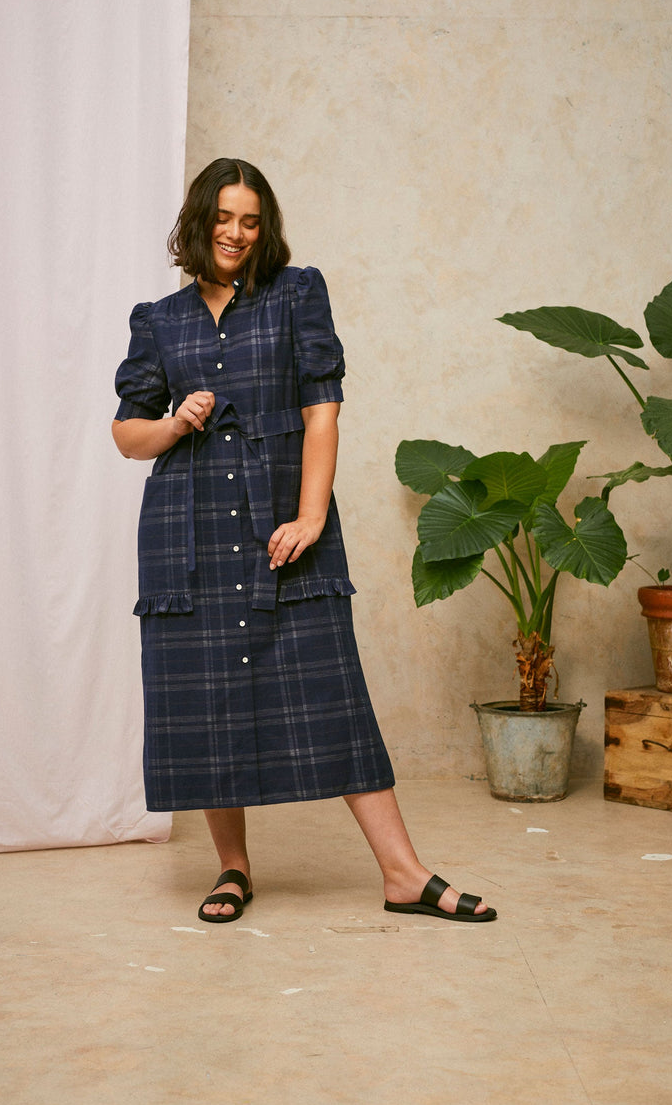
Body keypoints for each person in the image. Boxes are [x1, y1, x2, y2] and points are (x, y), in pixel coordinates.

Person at [112, 157, 496, 926]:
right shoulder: (158, 320)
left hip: (282, 524)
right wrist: (177, 421)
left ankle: (402, 872)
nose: (236, 233)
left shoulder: (296, 294)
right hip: (186, 533)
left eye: (251, 221)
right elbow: (128, 436)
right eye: (224, 218)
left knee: (335, 694)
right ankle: (231, 870)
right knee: (212, 702)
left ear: (265, 229)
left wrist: (313, 515)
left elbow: (324, 408)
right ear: (199, 222)